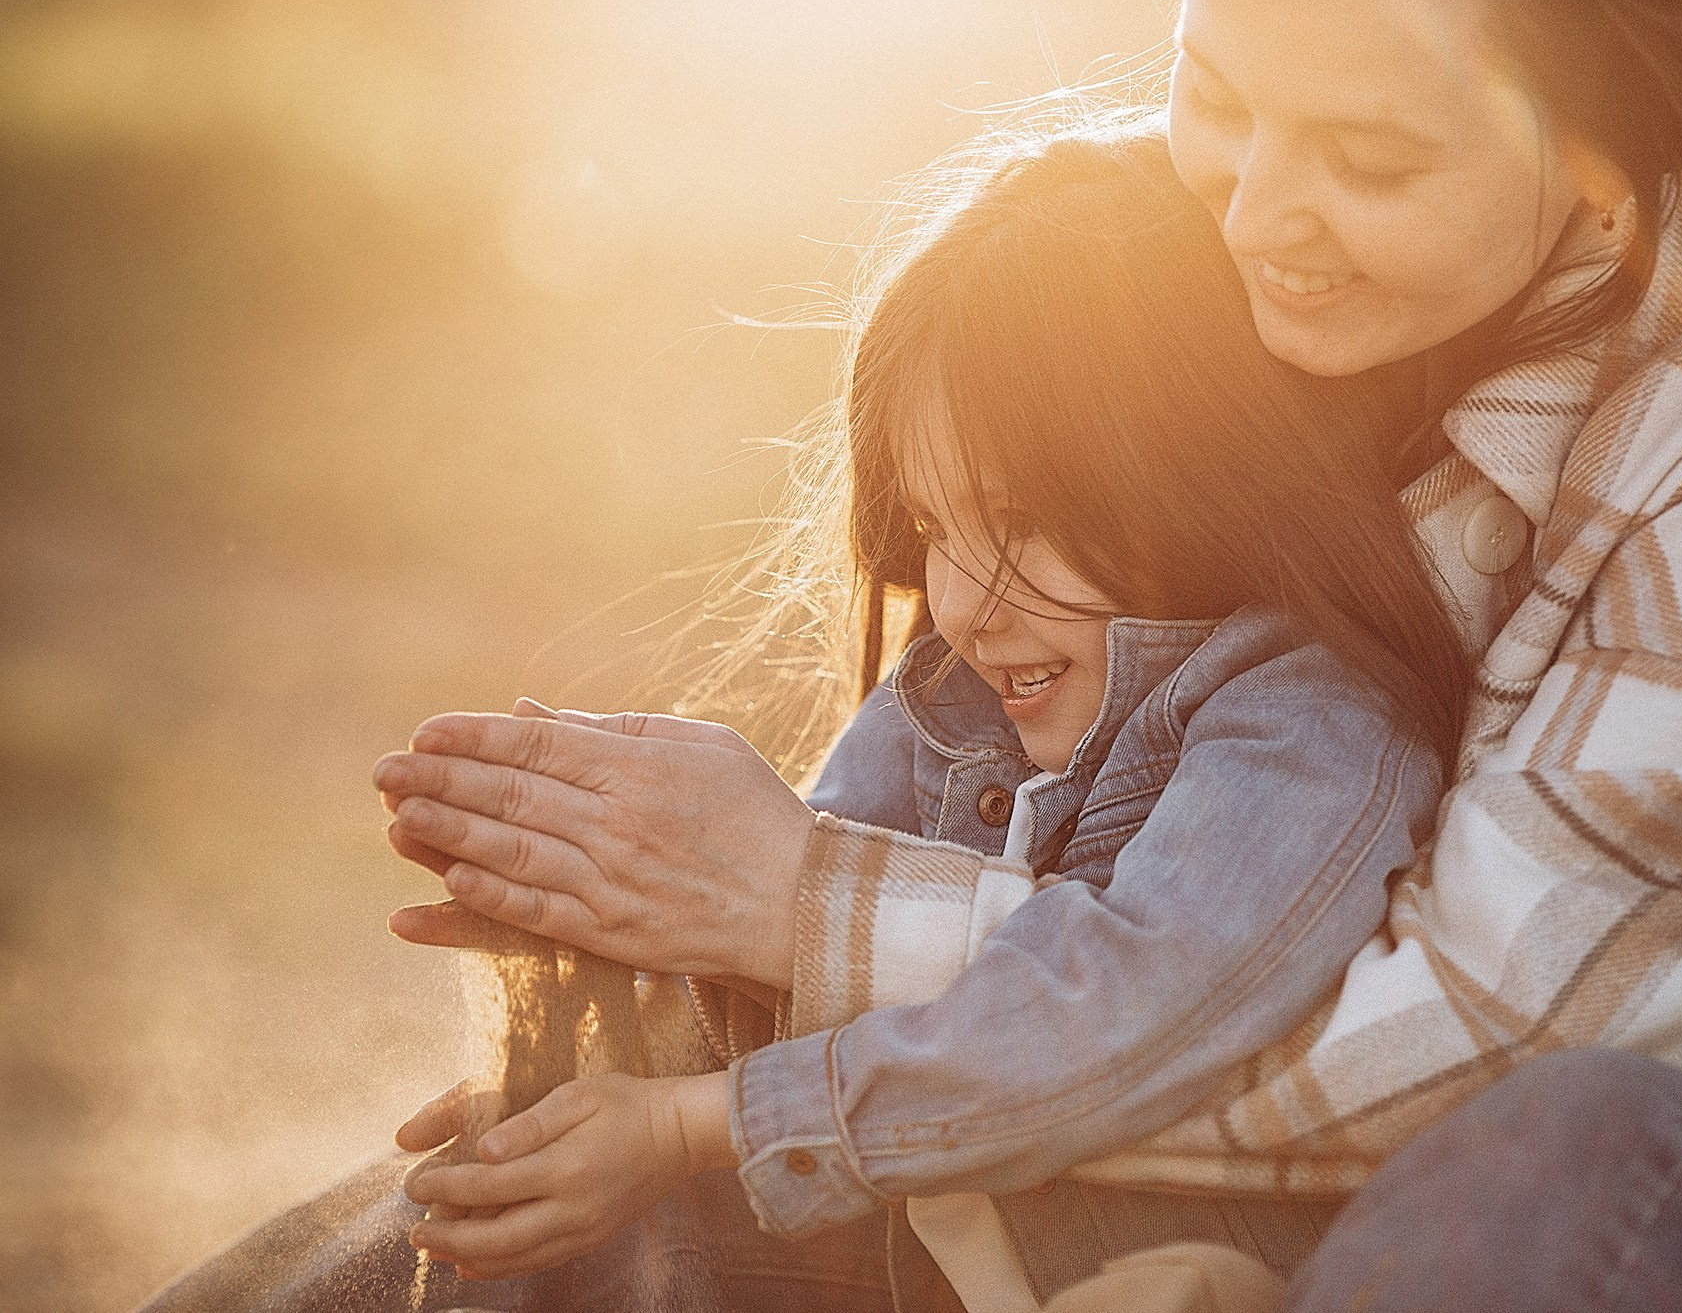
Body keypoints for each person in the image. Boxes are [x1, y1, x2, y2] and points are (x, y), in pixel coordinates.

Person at [146, 0, 1682, 1310]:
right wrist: (661, 985)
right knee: (529, 1207)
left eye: (1365, 162)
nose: (1252, 211)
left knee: (1554, 1167)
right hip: (1270, 1084)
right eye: (1215, 99)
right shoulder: (1356, 273)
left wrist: (793, 920)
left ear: (1608, 157)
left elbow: (1435, 1054)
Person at [390, 120, 1457, 1305]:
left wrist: (693, 1123)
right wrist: (608, 976)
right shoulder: (956, 704)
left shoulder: (1310, 723)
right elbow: (776, 955)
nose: (963, 602)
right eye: (939, 528)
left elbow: (1126, 1004)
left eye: (1016, 517)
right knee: (467, 1250)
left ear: (1216, 471)